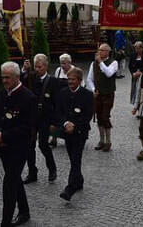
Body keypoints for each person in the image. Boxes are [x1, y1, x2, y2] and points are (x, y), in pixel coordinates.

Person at [0, 62, 36, 227]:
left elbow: (27, 127)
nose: (4, 81)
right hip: (3, 146)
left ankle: (5, 221)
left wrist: (4, 135)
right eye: (2, 77)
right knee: (15, 179)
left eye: (7, 77)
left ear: (17, 77)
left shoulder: (28, 97)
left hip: (19, 147)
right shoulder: (1, 94)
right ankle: (24, 211)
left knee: (9, 182)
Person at [56, 67, 93, 201]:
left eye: (73, 79)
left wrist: (75, 126)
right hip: (66, 132)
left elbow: (88, 115)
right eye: (69, 79)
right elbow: (58, 112)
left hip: (80, 133)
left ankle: (70, 189)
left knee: (76, 158)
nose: (70, 82)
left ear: (79, 80)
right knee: (73, 159)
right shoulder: (62, 93)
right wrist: (66, 123)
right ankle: (79, 181)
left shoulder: (87, 95)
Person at [21, 54, 59, 184]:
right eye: (35, 66)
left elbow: (56, 103)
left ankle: (52, 169)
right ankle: (32, 172)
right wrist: (24, 69)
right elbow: (22, 82)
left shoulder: (52, 81)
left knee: (43, 145)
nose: (37, 69)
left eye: (40, 67)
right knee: (29, 146)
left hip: (45, 118)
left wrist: (54, 122)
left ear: (45, 66)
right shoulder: (31, 77)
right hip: (32, 118)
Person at [86, 43, 118, 152]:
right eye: (99, 50)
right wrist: (93, 89)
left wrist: (100, 62)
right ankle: (101, 140)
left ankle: (108, 141)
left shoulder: (113, 62)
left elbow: (109, 73)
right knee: (99, 117)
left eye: (102, 50)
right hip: (98, 95)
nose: (100, 52)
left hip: (108, 94)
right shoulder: (93, 64)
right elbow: (89, 79)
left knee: (105, 116)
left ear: (108, 52)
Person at [51, 53, 84, 147]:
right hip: (59, 98)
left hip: (71, 98)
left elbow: (82, 85)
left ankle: (71, 136)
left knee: (70, 118)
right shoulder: (58, 70)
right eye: (61, 63)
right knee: (57, 118)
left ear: (69, 63)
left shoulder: (75, 70)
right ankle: (54, 138)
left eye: (64, 63)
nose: (62, 66)